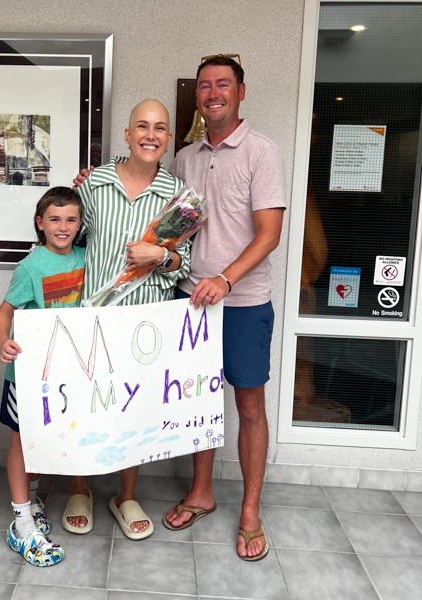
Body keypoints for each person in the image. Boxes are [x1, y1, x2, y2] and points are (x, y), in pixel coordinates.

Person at [162, 56, 286, 562]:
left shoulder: (263, 152)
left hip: (243, 302)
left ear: (240, 92)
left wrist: (225, 279)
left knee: (249, 407)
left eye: (224, 85)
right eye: (206, 86)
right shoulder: (185, 159)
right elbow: (165, 224)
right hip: (189, 301)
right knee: (197, 401)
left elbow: (270, 234)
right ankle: (201, 493)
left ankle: (251, 510)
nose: (214, 92)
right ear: (198, 97)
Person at [65, 99, 191, 540]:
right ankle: (79, 487)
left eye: (159, 128)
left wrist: (160, 254)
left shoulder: (177, 194)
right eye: (142, 126)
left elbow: (184, 263)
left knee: (134, 410)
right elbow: (67, 239)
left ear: (169, 138)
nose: (150, 135)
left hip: (146, 323)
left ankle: (126, 493)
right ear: (127, 134)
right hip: (93, 315)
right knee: (88, 404)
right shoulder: (94, 184)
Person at [0, 186, 85, 566]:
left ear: (81, 225)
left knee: (45, 439)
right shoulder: (31, 266)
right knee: (22, 441)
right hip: (27, 374)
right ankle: (21, 523)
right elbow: (4, 313)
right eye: (54, 219)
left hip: (62, 374)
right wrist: (3, 341)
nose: (63, 226)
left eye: (71, 219)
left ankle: (30, 501)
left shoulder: (85, 257)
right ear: (40, 223)